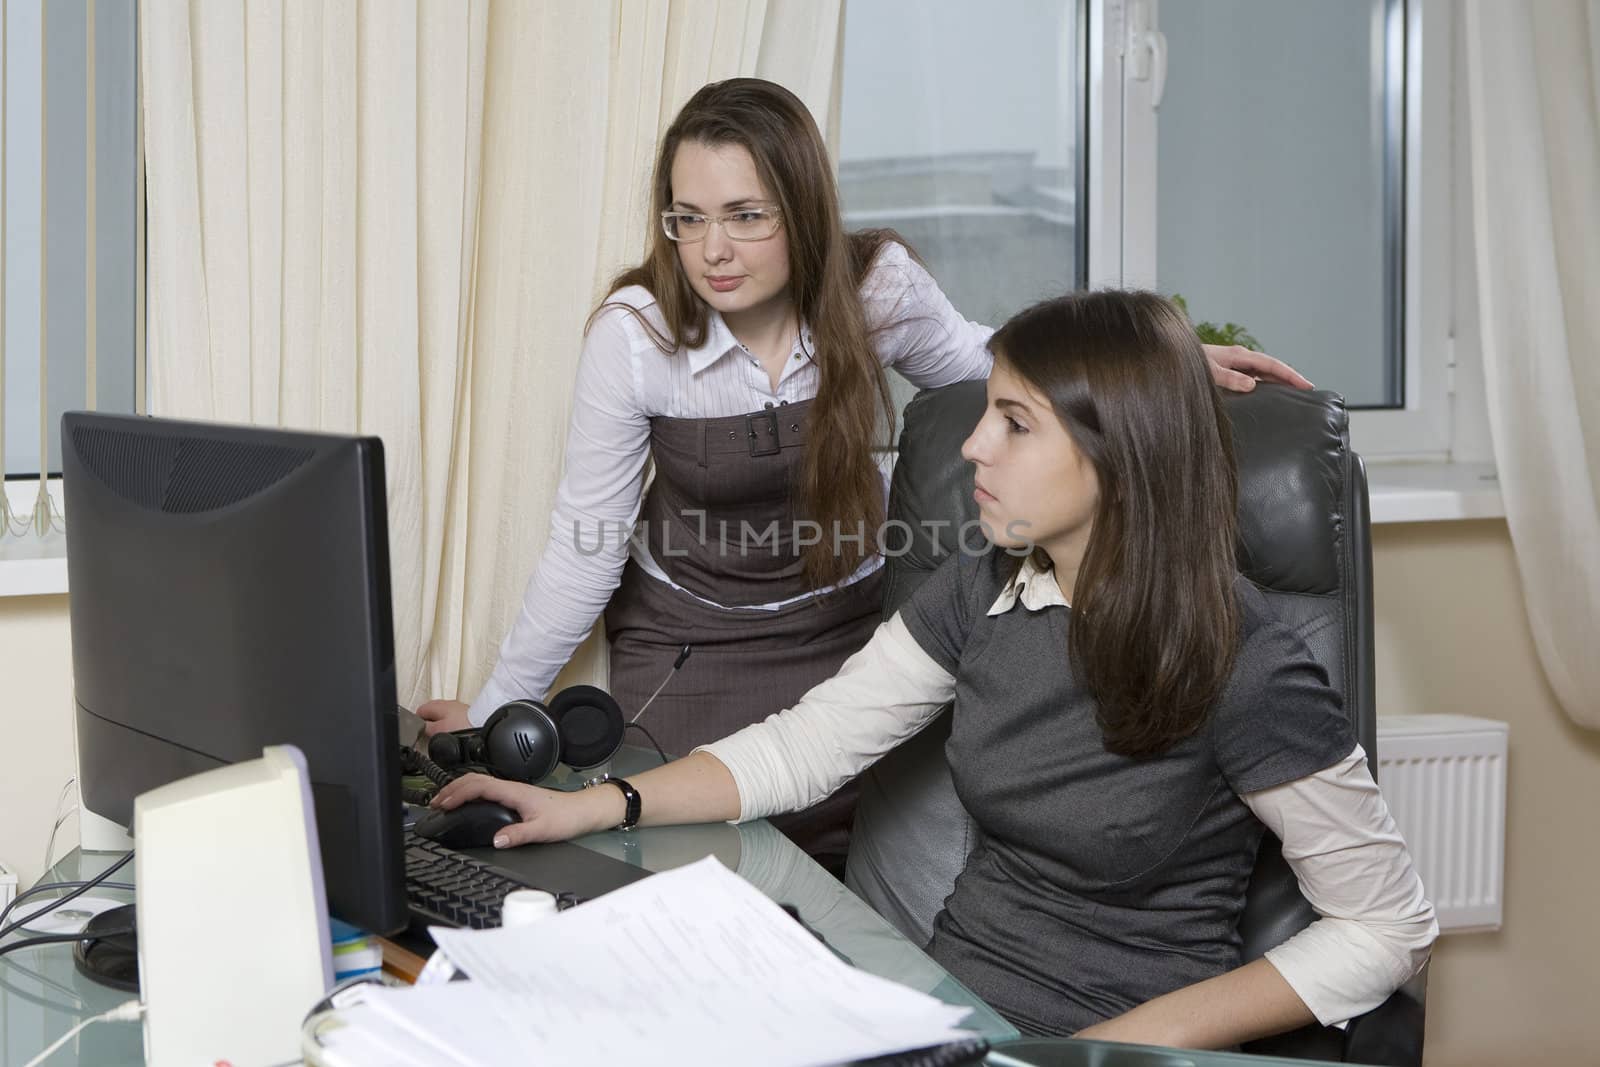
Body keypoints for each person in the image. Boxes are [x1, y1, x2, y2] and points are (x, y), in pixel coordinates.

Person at [430, 289, 1437, 1046]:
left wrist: (1118, 1047)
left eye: (1013, 420)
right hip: (940, 1014)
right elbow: (809, 744)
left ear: (1118, 451)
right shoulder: (985, 586)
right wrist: (593, 803)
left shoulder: (1247, 665)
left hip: (1107, 1040)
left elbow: (1385, 923)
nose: (971, 448)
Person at [418, 78, 1309, 871]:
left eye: (745, 214)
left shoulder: (876, 289)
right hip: (690, 644)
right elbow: (586, 547)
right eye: (687, 217)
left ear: (802, 211)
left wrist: (1164, 362)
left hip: (846, 632)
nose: (712, 249)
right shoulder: (636, 335)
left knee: (849, 876)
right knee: (684, 860)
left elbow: (991, 365)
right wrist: (497, 717)